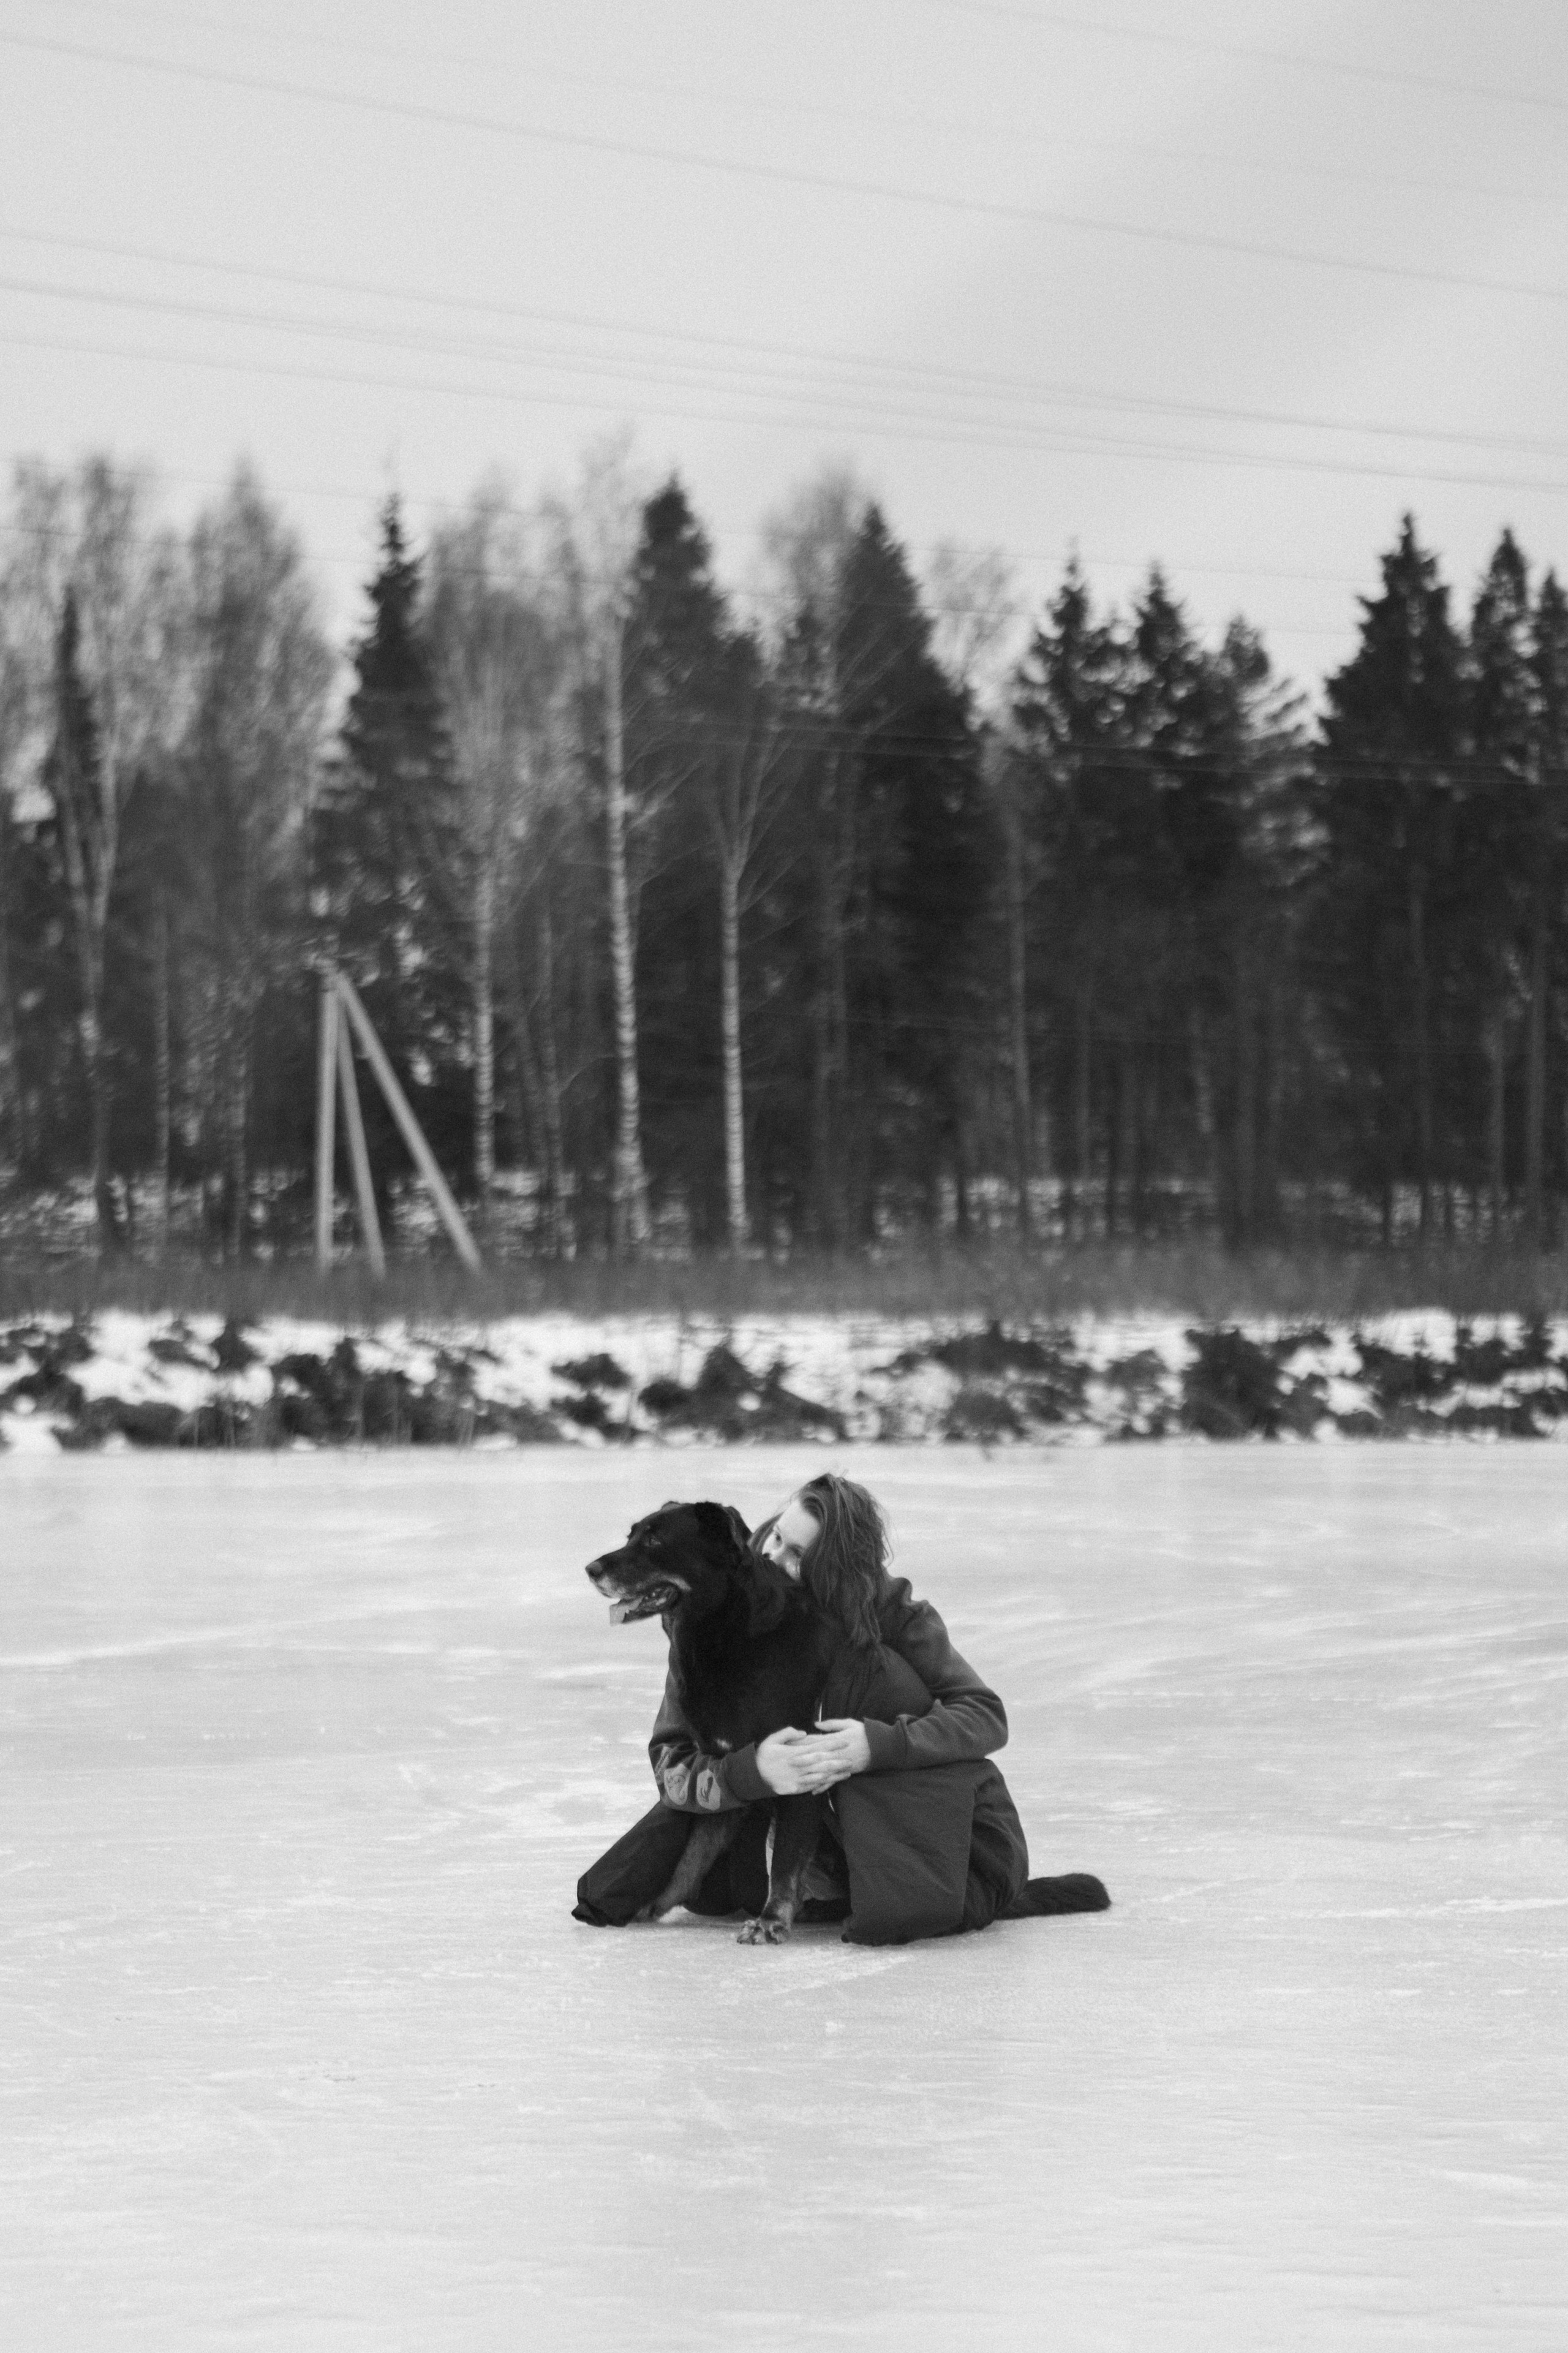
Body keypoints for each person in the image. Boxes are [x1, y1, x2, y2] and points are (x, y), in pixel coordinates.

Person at [573, 1471, 1107, 1944]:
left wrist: (874, 1744)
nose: (774, 1558)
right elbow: (671, 1764)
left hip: (930, 1834)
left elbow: (985, 1714)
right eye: (776, 1537)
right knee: (717, 1890)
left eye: (798, 1554)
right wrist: (750, 1771)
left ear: (837, 1569)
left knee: (898, 1901)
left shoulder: (891, 1614)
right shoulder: (714, 1610)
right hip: (819, 1830)